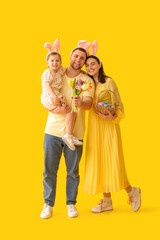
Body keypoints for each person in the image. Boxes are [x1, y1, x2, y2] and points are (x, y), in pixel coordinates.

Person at [40, 44, 95, 219]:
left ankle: (71, 204)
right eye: (75, 56)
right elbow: (45, 91)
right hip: (52, 130)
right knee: (49, 169)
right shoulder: (58, 72)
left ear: (84, 62)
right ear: (70, 57)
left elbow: (88, 103)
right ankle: (48, 204)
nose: (78, 60)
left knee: (73, 171)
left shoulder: (87, 80)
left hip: (75, 133)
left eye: (82, 58)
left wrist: (82, 103)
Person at [84, 53, 141, 213]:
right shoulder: (87, 84)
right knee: (99, 161)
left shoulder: (109, 81)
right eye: (87, 65)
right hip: (95, 128)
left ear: (100, 65)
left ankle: (132, 191)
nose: (90, 67)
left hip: (108, 127)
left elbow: (120, 106)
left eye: (93, 64)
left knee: (113, 161)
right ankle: (107, 200)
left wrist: (112, 116)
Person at [41, 39, 82, 151]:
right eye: (52, 61)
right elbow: (47, 85)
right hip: (49, 96)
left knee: (71, 111)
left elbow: (67, 69)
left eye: (57, 61)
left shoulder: (59, 71)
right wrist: (54, 96)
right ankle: (68, 136)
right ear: (47, 63)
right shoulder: (48, 72)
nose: (55, 63)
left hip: (56, 96)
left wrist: (81, 72)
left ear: (61, 62)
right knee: (69, 111)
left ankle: (68, 135)